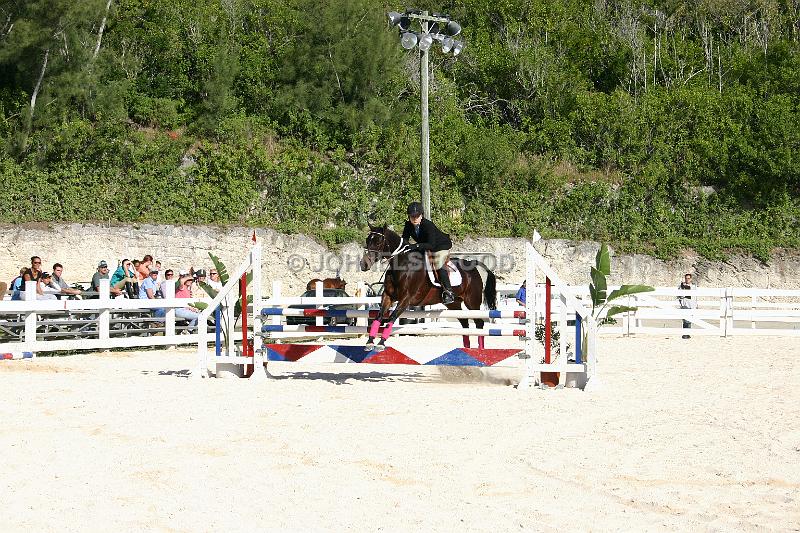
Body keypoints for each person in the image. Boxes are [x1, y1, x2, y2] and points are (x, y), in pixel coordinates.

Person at [401, 201, 455, 304]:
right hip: (425, 246)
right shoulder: (408, 225)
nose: (415, 218)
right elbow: (405, 240)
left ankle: (448, 292)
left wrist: (415, 246)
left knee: (438, 263)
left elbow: (431, 245)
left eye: (417, 216)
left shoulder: (428, 225)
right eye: (412, 216)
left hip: (440, 246)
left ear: (421, 215)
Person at [677, 273, 695, 339]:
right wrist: (682, 287)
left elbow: (694, 296)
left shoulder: (693, 286)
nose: (687, 280)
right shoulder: (681, 286)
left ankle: (688, 333)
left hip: (691, 305)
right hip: (684, 304)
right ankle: (685, 333)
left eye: (688, 278)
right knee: (684, 320)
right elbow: (679, 295)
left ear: (691, 279)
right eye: (686, 278)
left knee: (689, 320)